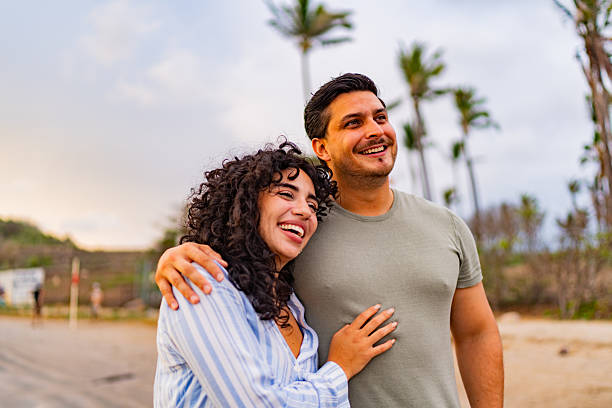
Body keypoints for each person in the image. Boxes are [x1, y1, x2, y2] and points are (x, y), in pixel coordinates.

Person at [155, 74, 504, 407]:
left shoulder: (447, 226)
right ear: (321, 147)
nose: (374, 130)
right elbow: (235, 256)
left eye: (380, 117)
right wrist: (175, 255)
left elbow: (477, 333)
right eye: (353, 123)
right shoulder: (296, 235)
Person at [154, 141, 397, 407]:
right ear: (245, 202)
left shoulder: (292, 302)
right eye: (286, 193)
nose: (305, 211)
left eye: (313, 205)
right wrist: (339, 369)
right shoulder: (202, 280)